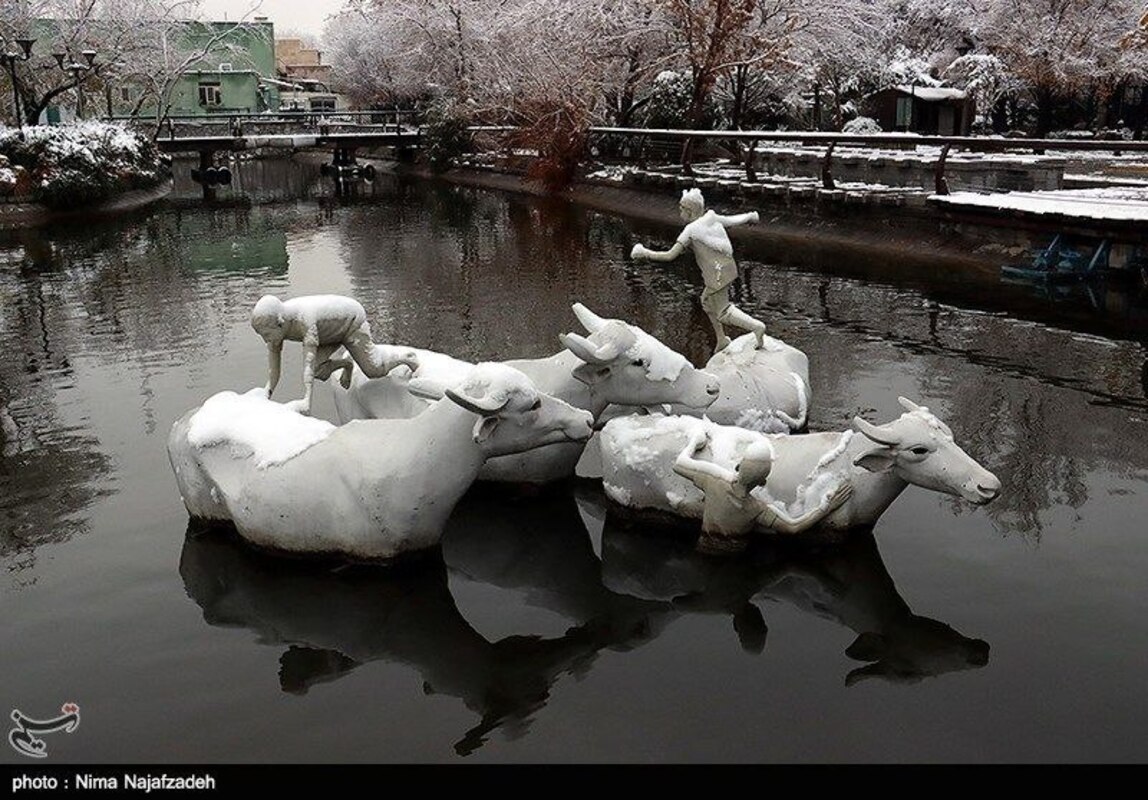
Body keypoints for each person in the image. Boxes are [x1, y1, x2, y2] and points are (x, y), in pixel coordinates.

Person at [630, 188, 766, 353]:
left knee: (723, 312)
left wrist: (644, 253)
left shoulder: (691, 230)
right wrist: (751, 216)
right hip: (726, 269)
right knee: (706, 302)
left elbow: (669, 256)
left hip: (716, 275)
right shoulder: (712, 217)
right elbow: (734, 220)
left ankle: (757, 327)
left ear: (689, 210)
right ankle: (721, 339)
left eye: (681, 209)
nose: (680, 212)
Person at [672, 427, 853, 543]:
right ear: (762, 482)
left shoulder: (712, 481)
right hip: (736, 562)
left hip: (705, 548)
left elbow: (678, 464)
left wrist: (694, 442)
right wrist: (825, 507)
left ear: (738, 466)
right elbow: (793, 527)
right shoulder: (756, 509)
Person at [250, 294, 418, 415]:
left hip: (350, 322)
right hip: (328, 334)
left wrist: (306, 401)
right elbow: (274, 370)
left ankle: (405, 358)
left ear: (280, 323)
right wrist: (267, 393)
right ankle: (347, 364)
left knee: (374, 370)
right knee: (318, 371)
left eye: (267, 334)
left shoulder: (304, 319)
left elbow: (307, 363)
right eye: (263, 335)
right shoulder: (276, 327)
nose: (266, 340)